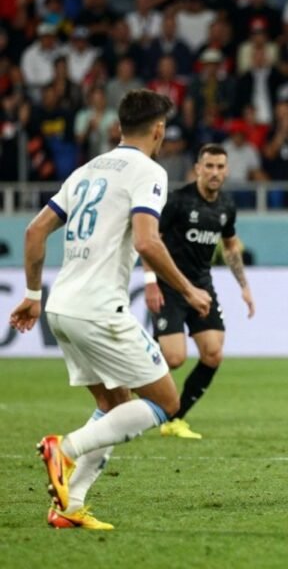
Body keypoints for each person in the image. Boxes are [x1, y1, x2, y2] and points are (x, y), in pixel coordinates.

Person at [8, 89, 212, 530]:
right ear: (159, 130)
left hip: (62, 307)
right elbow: (147, 241)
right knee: (166, 402)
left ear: (118, 126)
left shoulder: (86, 170)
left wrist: (33, 295)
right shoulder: (149, 172)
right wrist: (189, 289)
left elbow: (34, 231)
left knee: (114, 403)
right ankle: (64, 449)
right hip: (100, 309)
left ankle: (70, 506)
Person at [143, 144, 255, 440]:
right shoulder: (179, 201)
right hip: (170, 285)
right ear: (198, 169)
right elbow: (150, 240)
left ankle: (175, 419)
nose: (215, 172)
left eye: (220, 167)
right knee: (174, 358)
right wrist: (150, 280)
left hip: (202, 287)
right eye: (209, 166)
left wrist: (244, 287)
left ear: (226, 170)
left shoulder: (226, 206)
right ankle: (129, 379)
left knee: (213, 353)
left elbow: (230, 246)